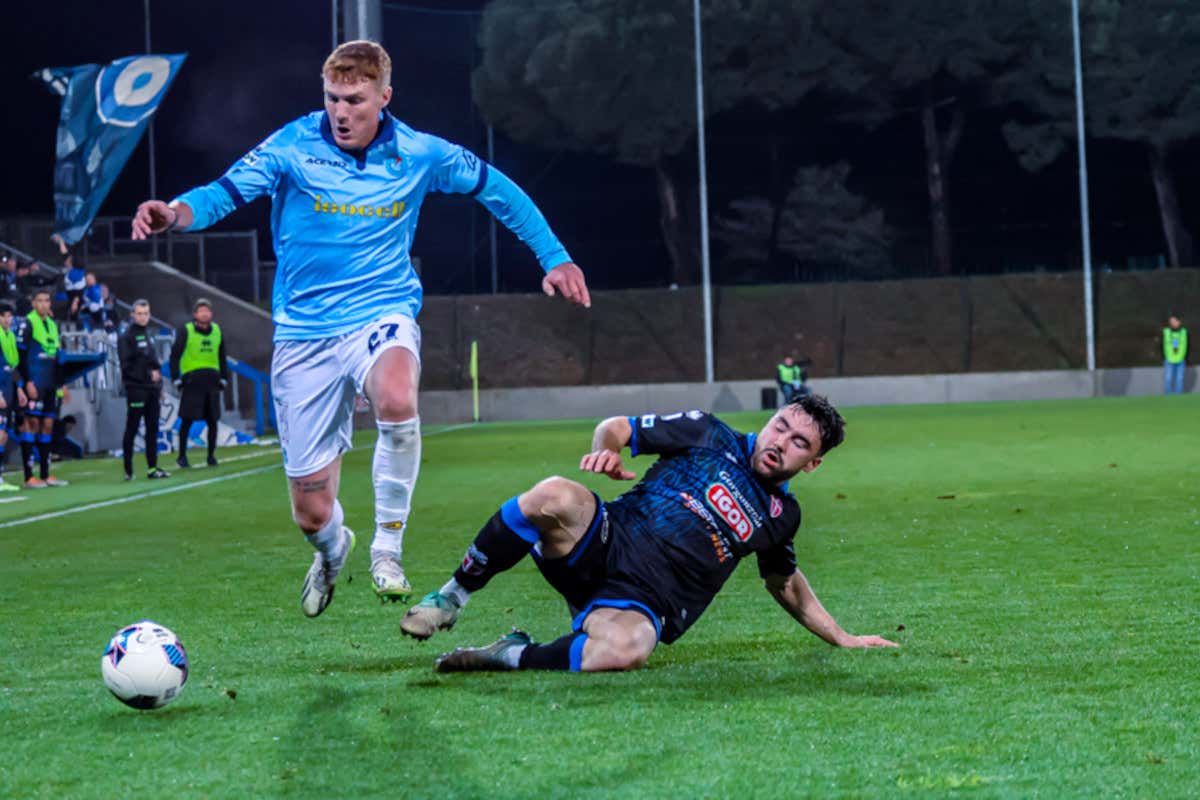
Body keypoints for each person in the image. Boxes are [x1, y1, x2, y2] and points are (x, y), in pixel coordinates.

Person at [131, 40, 590, 616]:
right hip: (304, 334)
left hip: (381, 311)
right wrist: (173, 212)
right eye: (332, 98)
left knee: (397, 397)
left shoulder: (421, 153)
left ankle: (387, 551)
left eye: (354, 99)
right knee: (312, 511)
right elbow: (223, 194)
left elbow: (498, 189)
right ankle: (331, 552)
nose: (341, 111)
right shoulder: (293, 146)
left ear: (384, 97)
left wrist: (554, 256)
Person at [401, 395, 898, 673]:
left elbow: (785, 582)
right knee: (554, 495)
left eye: (798, 443)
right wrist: (606, 450)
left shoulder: (781, 514)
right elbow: (617, 427)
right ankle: (451, 597)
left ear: (811, 464)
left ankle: (511, 655)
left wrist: (842, 636)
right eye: (780, 426)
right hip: (606, 540)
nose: (779, 443)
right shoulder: (708, 432)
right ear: (768, 421)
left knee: (626, 651)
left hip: (643, 600)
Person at [16, 289, 69, 488]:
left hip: (50, 383)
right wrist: (27, 382)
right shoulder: (27, 324)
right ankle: (29, 475)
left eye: (47, 301)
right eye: (40, 301)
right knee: (31, 424)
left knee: (48, 424)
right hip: (35, 381)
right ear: (33, 303)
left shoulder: (52, 325)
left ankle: (46, 474)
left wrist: (61, 382)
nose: (44, 304)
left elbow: (57, 357)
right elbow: (20, 357)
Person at [169, 298, 228, 468]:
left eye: (207, 311)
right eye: (201, 311)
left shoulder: (217, 330)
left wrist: (224, 377)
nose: (204, 314)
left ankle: (211, 455)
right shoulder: (186, 330)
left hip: (212, 380)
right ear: (195, 314)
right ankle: (181, 455)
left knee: (212, 420)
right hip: (192, 381)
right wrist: (176, 379)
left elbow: (222, 356)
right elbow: (175, 356)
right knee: (187, 419)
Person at [118, 299, 170, 481]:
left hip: (152, 389)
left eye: (146, 313)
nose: (143, 317)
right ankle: (128, 470)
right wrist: (148, 375)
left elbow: (154, 364)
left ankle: (152, 468)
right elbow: (126, 366)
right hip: (136, 388)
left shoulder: (149, 334)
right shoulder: (126, 337)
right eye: (139, 313)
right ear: (132, 315)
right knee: (132, 428)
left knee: (152, 429)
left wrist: (159, 386)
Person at [0, 302, 27, 491]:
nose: (6, 319)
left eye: (9, 316)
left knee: (3, 435)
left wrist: (19, 388)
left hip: (8, 390)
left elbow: (12, 365)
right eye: (3, 316)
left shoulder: (9, 337)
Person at [1163, 316, 1187, 395]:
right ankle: (1168, 397)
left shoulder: (1184, 332)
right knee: (1168, 378)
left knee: (1179, 379)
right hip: (1169, 359)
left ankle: (1178, 396)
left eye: (1174, 321)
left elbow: (1188, 345)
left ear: (1179, 322)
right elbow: (1160, 345)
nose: (1172, 323)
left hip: (1181, 359)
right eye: (1171, 321)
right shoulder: (1166, 332)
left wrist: (1185, 357)